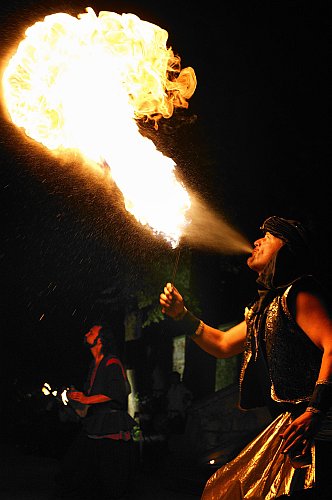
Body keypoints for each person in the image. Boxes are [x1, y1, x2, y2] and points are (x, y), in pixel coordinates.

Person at [159, 216, 332, 499]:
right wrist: (182, 316)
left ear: (285, 248)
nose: (256, 241)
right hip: (290, 429)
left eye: (268, 236)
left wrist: (315, 411)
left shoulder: (300, 293)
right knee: (224, 490)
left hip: (319, 430)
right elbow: (223, 344)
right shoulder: (263, 310)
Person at [55, 324, 137, 499]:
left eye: (91, 332)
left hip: (110, 428)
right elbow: (89, 401)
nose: (86, 334)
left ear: (100, 340)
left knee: (108, 480)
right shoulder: (94, 364)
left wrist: (85, 399)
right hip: (95, 426)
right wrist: (76, 398)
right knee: (74, 472)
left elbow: (116, 392)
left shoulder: (112, 362)